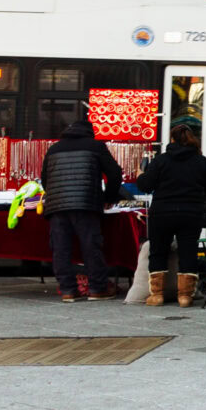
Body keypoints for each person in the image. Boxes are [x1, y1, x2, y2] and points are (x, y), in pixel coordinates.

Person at [133, 120, 206, 306]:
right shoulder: (202, 162)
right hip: (191, 214)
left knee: (158, 251)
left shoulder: (161, 160)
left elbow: (146, 185)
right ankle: (185, 296)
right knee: (188, 252)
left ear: (172, 139)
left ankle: (157, 295)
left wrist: (139, 175)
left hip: (162, 213)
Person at [39, 116, 121, 302]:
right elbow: (115, 173)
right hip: (86, 203)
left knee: (61, 248)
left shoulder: (54, 148)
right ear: (89, 132)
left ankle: (68, 290)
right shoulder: (95, 146)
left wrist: (56, 195)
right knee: (91, 245)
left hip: (57, 206)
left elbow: (45, 178)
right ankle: (97, 289)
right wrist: (109, 198)